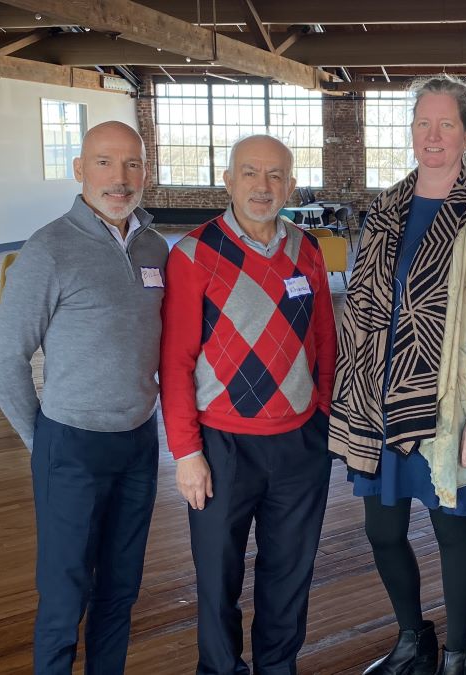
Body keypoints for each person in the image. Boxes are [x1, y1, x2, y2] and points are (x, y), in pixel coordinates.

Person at [329, 75, 466, 675]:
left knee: (451, 534)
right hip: (380, 403)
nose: (433, 136)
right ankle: (414, 637)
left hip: (449, 408)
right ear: (411, 132)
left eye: (446, 124)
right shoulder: (384, 211)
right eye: (422, 124)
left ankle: (460, 651)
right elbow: (360, 308)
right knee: (383, 532)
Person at [0, 121, 166, 674]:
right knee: (65, 599)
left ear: (145, 172)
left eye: (132, 164)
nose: (120, 178)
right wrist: (42, 441)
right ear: (80, 170)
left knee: (120, 590)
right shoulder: (49, 249)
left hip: (139, 444)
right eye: (106, 163)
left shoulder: (154, 245)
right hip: (70, 446)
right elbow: (4, 361)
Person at [159, 134, 336, 675]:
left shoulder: (307, 249)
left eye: (276, 175)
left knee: (289, 576)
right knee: (217, 580)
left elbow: (325, 341)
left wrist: (326, 419)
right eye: (251, 173)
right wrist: (186, 453)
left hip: (300, 442)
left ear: (292, 185)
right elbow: (176, 362)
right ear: (229, 180)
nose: (264, 186)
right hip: (221, 447)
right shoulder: (193, 254)